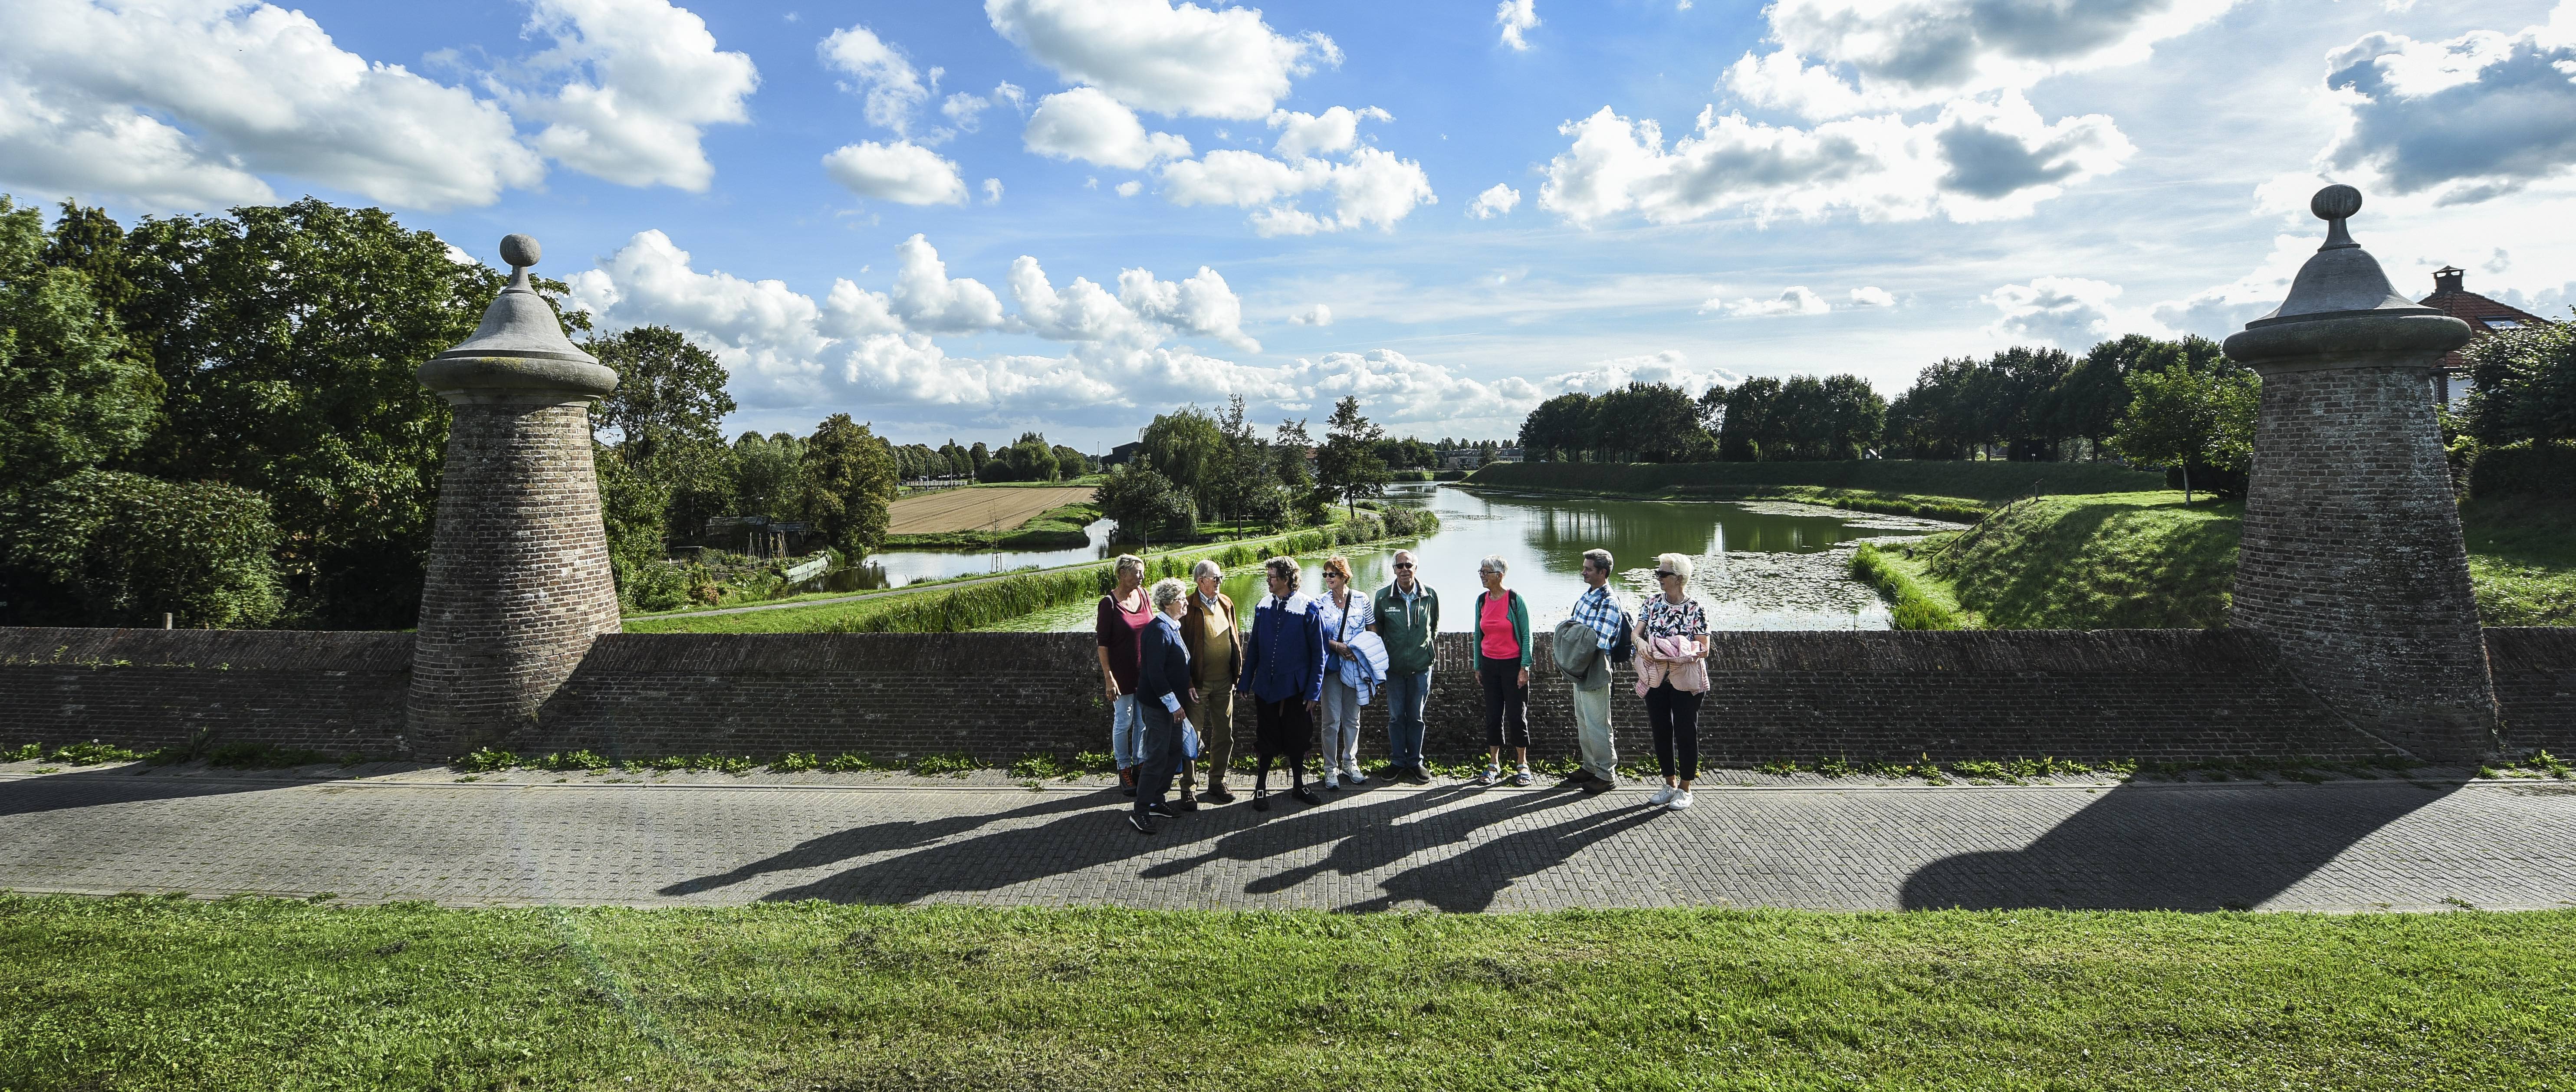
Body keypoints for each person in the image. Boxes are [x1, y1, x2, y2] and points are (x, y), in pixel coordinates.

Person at [1238, 555, 1324, 810]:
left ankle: (1299, 785)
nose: (1268, 581)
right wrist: (1245, 681)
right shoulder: (1263, 606)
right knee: (1266, 736)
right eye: (1268, 576)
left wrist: (1314, 691)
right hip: (1266, 685)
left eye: (1273, 577)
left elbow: (1319, 653)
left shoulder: (1308, 608)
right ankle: (1261, 787)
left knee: (1297, 737)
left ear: (1287, 579)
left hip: (1297, 688)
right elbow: (1253, 648)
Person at [1635, 552, 1711, 812]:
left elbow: (1704, 648)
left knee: (1686, 731)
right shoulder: (1652, 602)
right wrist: (1641, 642)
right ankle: (1669, 784)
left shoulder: (1696, 608)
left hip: (1685, 678)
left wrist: (1676, 649)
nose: (1658, 577)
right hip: (1656, 677)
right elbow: (1637, 632)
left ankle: (1686, 788)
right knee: (1661, 730)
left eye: (1663, 574)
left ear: (1679, 579)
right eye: (1658, 573)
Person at [1128, 577, 1197, 834]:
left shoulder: (1173, 627)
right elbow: (1155, 674)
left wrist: (1187, 686)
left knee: (1174, 750)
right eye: (1181, 599)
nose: (1185, 603)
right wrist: (1173, 705)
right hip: (1160, 707)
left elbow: (1178, 665)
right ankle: (1141, 810)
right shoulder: (1158, 631)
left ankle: (1157, 798)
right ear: (1168, 603)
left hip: (1172, 705)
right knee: (1157, 756)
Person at [1177, 559, 1243, 803]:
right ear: (1200, 581)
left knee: (1225, 734)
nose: (1220, 582)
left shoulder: (1226, 603)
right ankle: (1188, 788)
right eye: (1216, 578)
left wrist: (1237, 673)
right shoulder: (1188, 607)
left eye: (1220, 578)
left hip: (1225, 683)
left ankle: (1216, 782)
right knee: (1191, 736)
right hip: (1198, 685)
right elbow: (1180, 649)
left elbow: (1235, 638)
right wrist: (1188, 682)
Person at [1371, 548, 1439, 784]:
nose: (1404, 570)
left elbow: (1434, 626)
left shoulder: (1430, 594)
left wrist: (1426, 651)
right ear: (1393, 570)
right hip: (1394, 670)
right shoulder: (1382, 597)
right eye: (1400, 566)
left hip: (1421, 668)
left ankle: (1416, 762)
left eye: (1408, 565)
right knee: (1396, 717)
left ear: (1416, 569)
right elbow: (1376, 632)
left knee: (1417, 716)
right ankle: (1398, 761)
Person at [1563, 547, 1625, 795]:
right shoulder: (1587, 596)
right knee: (1583, 720)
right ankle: (1590, 766)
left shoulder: (1609, 601)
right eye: (1584, 568)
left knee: (1599, 723)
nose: (1583, 572)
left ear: (1603, 572)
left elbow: (1598, 640)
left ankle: (1606, 774)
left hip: (1596, 667)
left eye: (1588, 569)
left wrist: (1575, 636)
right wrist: (1577, 635)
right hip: (1581, 666)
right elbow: (1573, 628)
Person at [1470, 554, 1534, 788]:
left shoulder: (1516, 600)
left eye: (1486, 572)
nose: (1482, 576)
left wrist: (1525, 667)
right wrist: (1478, 665)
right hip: (1490, 665)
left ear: (1500, 575)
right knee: (1493, 716)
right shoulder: (1481, 601)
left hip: (1513, 666)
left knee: (1517, 716)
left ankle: (1522, 764)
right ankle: (1494, 765)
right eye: (1481, 572)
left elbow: (1527, 636)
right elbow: (1479, 635)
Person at [1094, 554, 1153, 796]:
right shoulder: (1108, 604)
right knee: (1123, 722)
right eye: (1137, 572)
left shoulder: (1145, 595)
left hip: (1144, 674)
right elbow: (1102, 644)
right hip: (1121, 676)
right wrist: (1109, 678)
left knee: (1142, 723)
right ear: (1122, 574)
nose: (1141, 576)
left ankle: (1140, 764)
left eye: (1142, 572)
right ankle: (1124, 768)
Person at [1315, 555, 1370, 790]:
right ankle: (1330, 768)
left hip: (1355, 667)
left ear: (1344, 576)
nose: (1328, 579)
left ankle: (1350, 763)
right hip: (1332, 668)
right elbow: (1315, 635)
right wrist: (1337, 647)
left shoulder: (1362, 599)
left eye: (1332, 575)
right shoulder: (1320, 602)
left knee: (1352, 719)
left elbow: (1372, 628)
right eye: (1325, 575)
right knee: (1331, 720)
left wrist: (1359, 650)